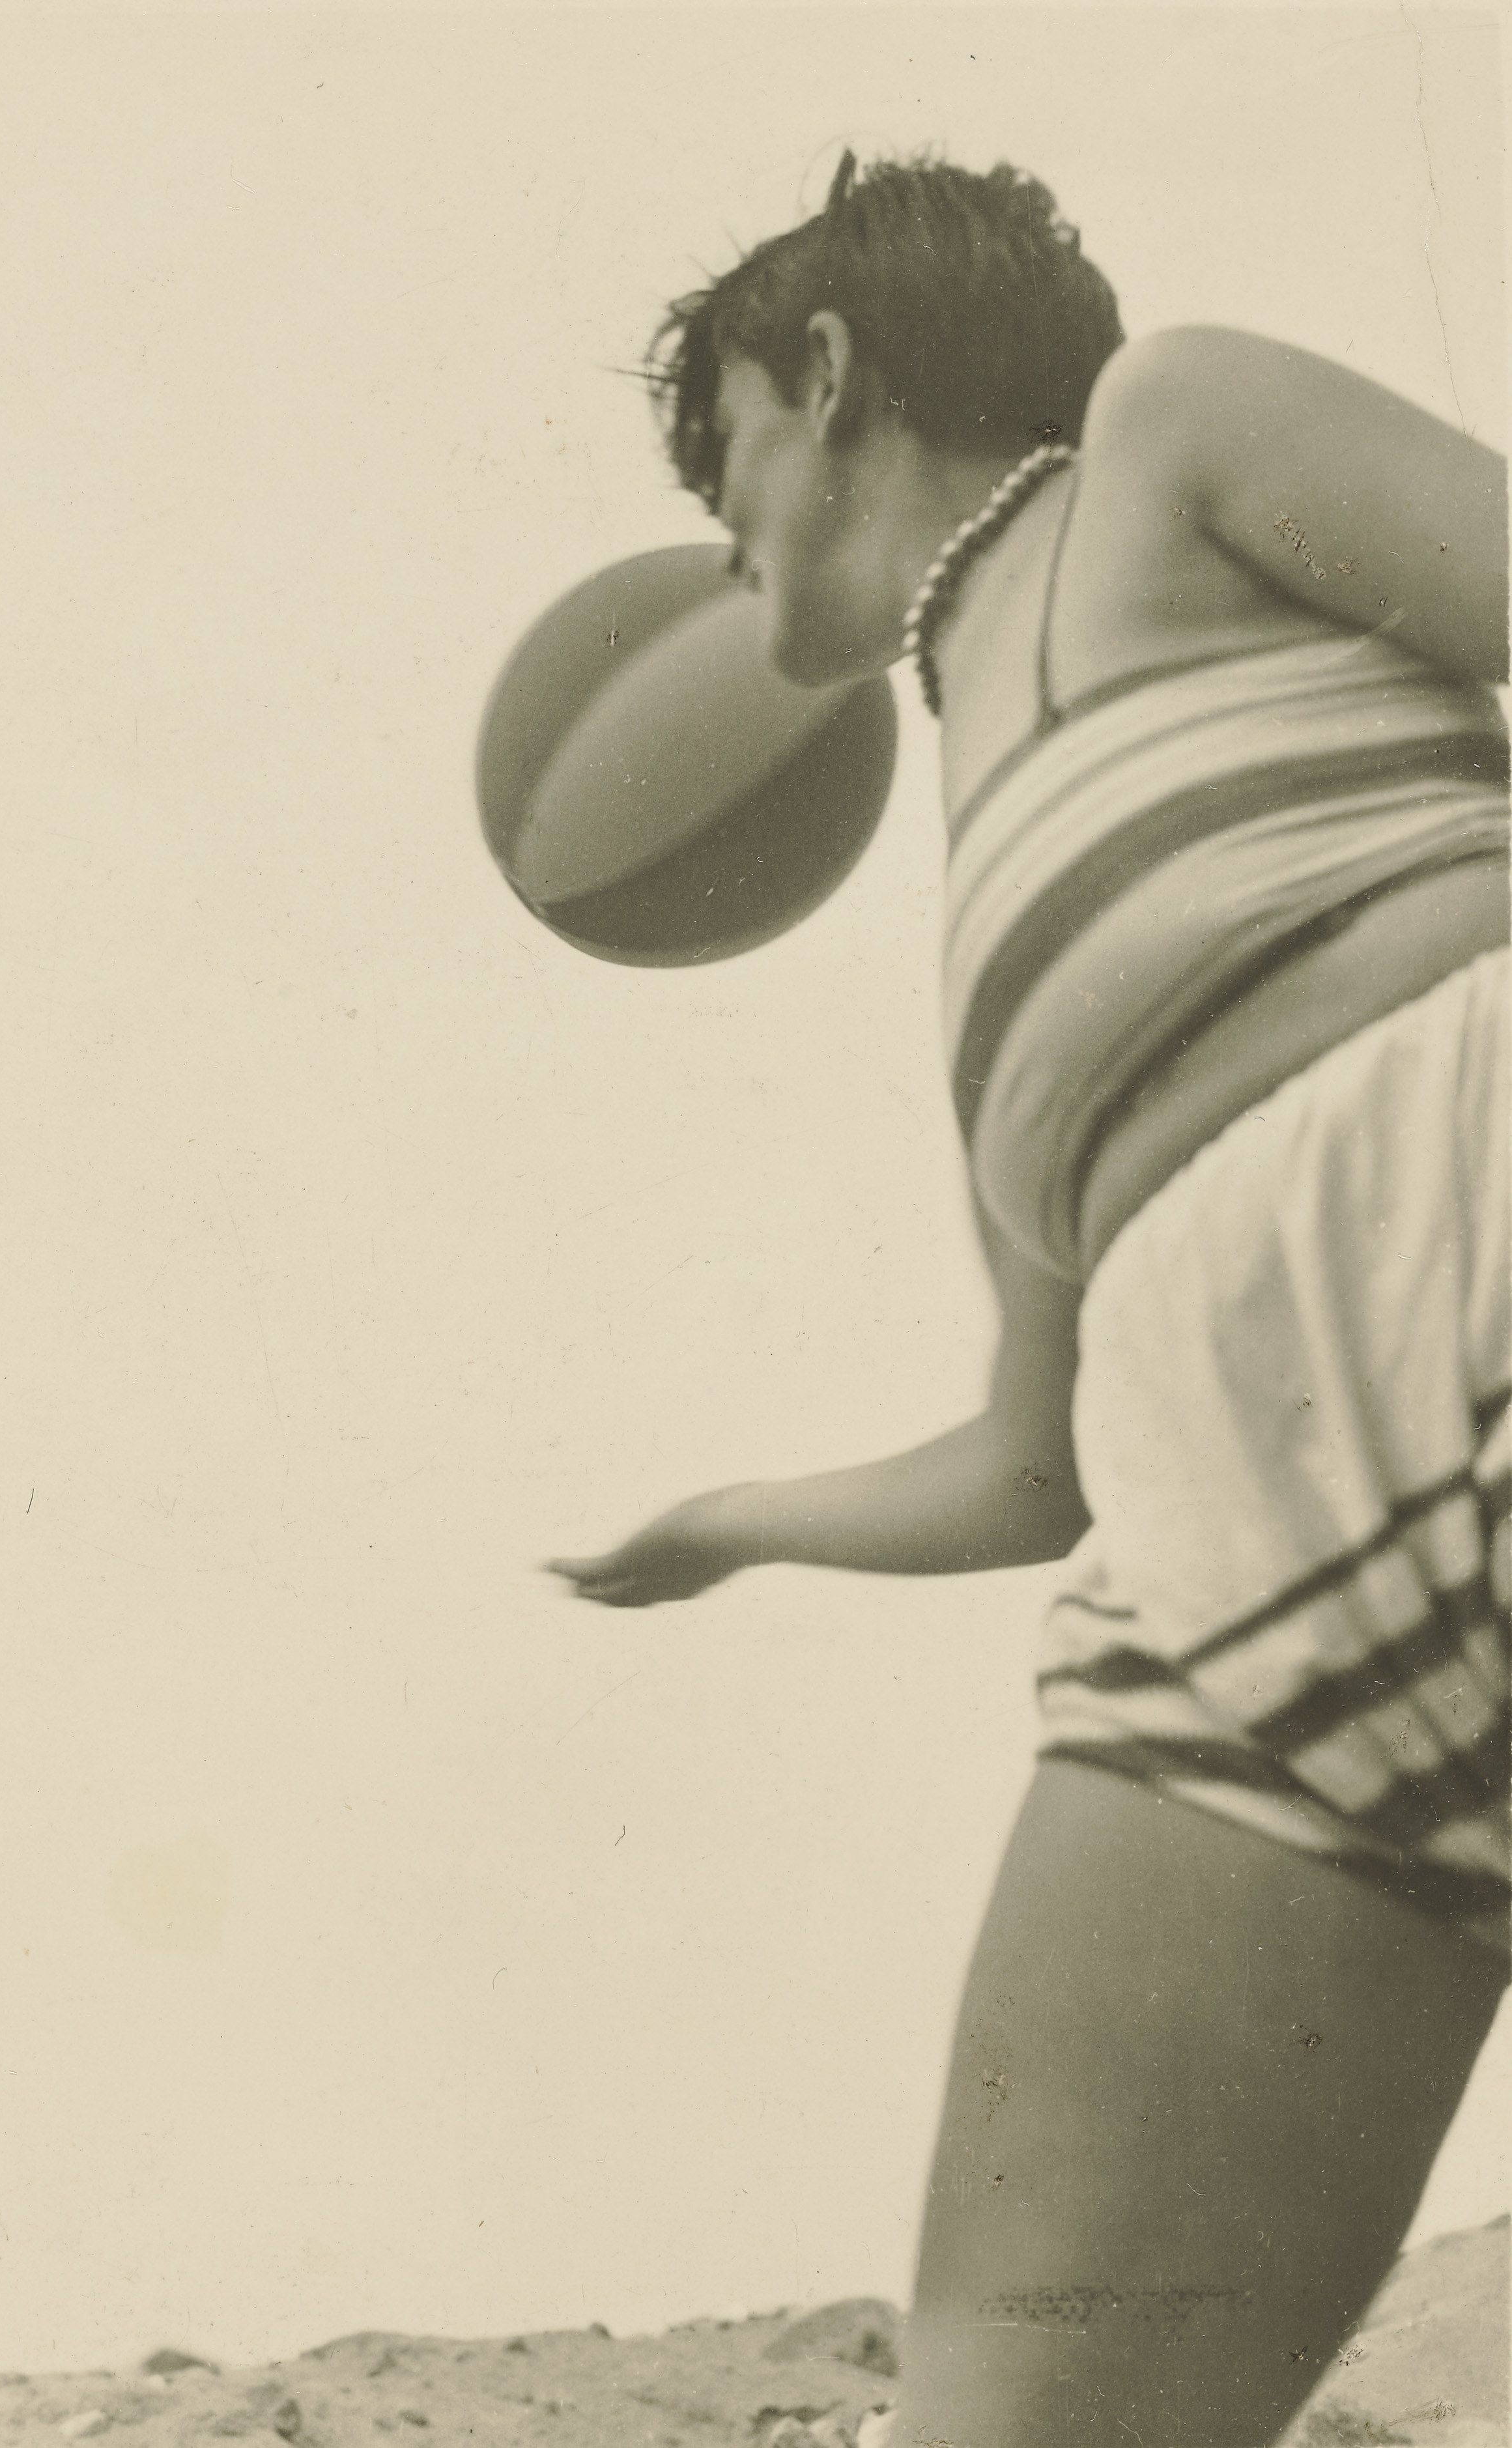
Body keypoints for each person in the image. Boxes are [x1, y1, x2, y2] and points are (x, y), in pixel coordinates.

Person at [547, 154, 1510, 2448]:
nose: (721, 548)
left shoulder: (1169, 433)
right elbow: (1032, 1461)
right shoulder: (998, 902)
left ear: (831, 370)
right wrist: (735, 1516)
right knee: (1023, 2411)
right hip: (1250, 1598)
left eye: (726, 473)